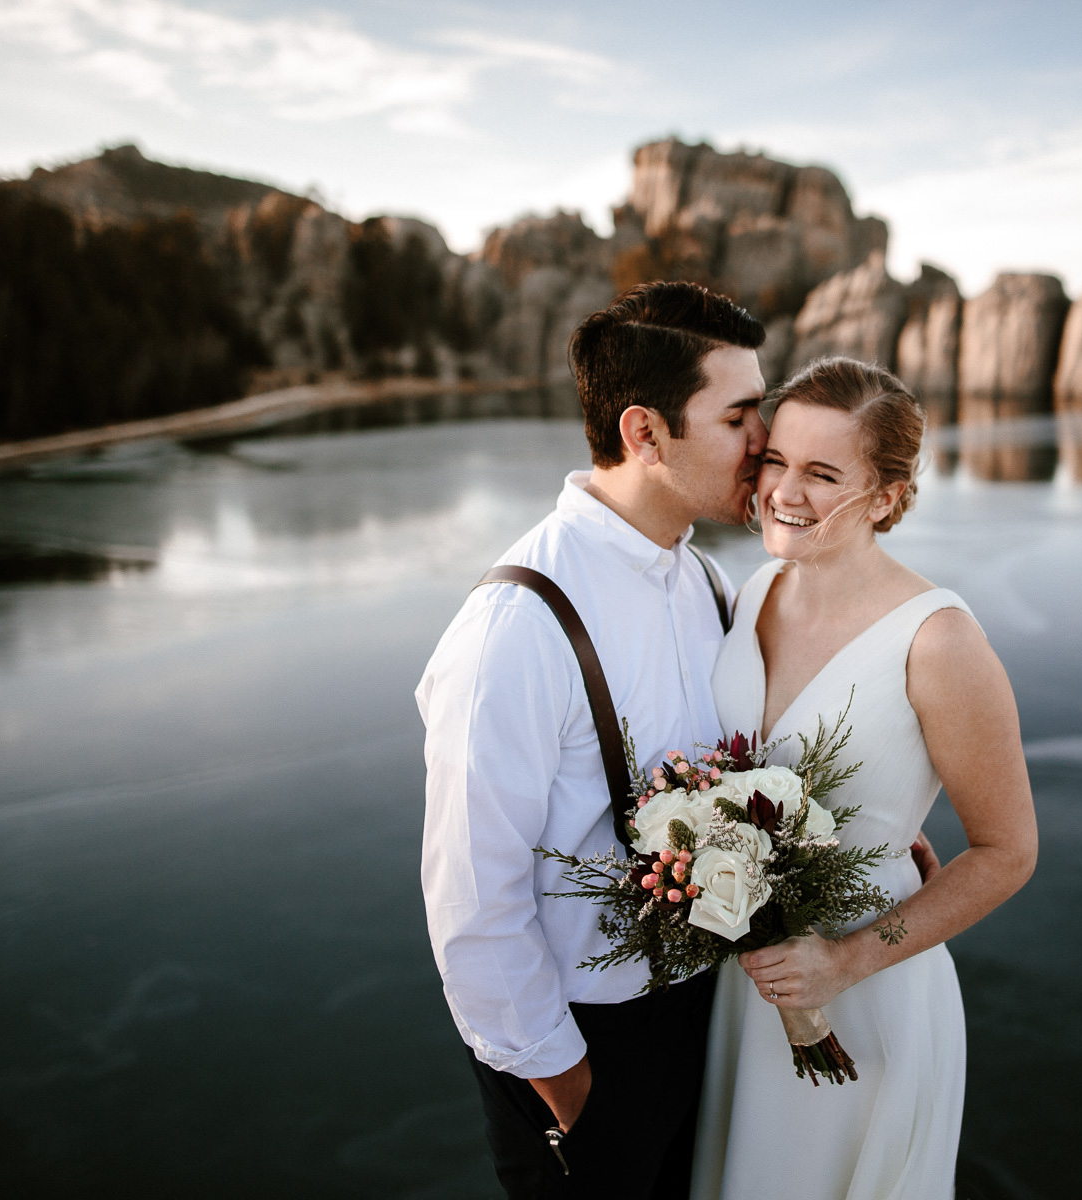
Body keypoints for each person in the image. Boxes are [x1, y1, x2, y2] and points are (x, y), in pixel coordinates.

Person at [417, 282, 768, 1200]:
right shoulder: (515, 628)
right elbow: (473, 912)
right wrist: (576, 1100)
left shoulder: (705, 582)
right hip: (580, 1057)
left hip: (703, 1026)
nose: (763, 444)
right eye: (739, 417)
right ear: (645, 433)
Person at [692, 357, 1038, 1200]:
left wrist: (845, 961)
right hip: (743, 982)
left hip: (864, 993)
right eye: (776, 460)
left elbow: (1007, 852)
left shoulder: (940, 642)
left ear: (886, 496)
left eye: (822, 473)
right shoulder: (753, 590)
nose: (784, 492)